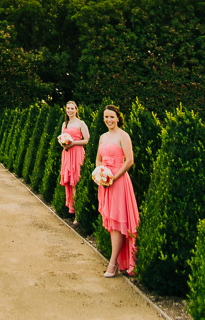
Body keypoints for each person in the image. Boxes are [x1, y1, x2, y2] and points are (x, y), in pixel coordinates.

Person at [95, 104, 140, 277]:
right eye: (106, 117)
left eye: (112, 117)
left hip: (119, 182)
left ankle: (112, 264)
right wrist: (101, 174)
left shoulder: (123, 136)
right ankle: (116, 261)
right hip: (106, 182)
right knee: (111, 223)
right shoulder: (103, 137)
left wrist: (114, 177)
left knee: (117, 223)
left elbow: (129, 161)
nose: (109, 120)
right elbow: (98, 160)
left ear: (118, 118)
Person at [58, 101, 89, 221]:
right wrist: (64, 144)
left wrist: (73, 143)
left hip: (77, 153)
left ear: (76, 110)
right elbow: (61, 138)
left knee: (76, 182)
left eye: (72, 108)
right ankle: (71, 209)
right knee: (69, 183)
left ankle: (77, 215)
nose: (70, 110)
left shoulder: (81, 123)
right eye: (68, 108)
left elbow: (86, 140)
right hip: (67, 154)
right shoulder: (64, 124)